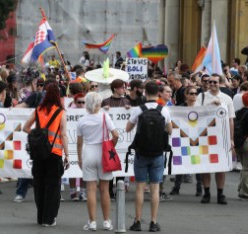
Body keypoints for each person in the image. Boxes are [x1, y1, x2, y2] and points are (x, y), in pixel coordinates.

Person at [126, 81, 172, 232]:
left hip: (141, 152)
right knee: (155, 188)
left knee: (140, 186)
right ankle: (153, 222)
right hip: (158, 153)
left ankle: (137, 221)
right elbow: (170, 130)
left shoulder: (139, 109)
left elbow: (128, 128)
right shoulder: (163, 110)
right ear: (158, 93)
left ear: (145, 93)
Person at [23, 83, 70, 226]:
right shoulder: (60, 112)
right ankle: (49, 219)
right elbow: (63, 134)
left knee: (39, 185)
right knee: (53, 187)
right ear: (59, 97)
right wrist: (67, 155)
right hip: (54, 153)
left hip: (39, 153)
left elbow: (25, 127)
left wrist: (37, 135)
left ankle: (40, 217)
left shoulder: (38, 110)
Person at [76, 92, 118, 231]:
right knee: (105, 189)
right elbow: (116, 135)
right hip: (104, 152)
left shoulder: (82, 120)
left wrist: (80, 158)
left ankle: (92, 222)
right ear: (99, 104)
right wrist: (111, 146)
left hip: (89, 152)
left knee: (90, 189)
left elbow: (79, 142)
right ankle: (106, 221)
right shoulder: (105, 117)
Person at [195, 73, 235, 205]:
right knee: (205, 166)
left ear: (220, 83)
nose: (211, 84)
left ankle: (220, 193)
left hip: (221, 136)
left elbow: (230, 120)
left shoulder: (227, 98)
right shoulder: (201, 97)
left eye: (214, 82)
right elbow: (194, 115)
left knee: (221, 166)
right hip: (205, 135)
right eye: (210, 82)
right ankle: (206, 192)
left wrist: (231, 139)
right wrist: (210, 106)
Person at [170, 86, 202, 197]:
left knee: (198, 164)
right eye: (191, 93)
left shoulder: (201, 109)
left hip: (197, 139)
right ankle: (176, 187)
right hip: (182, 139)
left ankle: (199, 189)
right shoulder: (179, 108)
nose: (194, 96)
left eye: (195, 93)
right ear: (186, 95)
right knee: (181, 163)